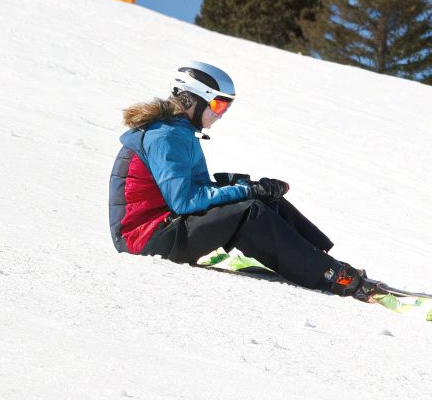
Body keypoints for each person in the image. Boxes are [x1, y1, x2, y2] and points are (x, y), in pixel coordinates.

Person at [108, 61, 388, 300]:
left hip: (164, 226)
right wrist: (244, 191)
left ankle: (326, 263)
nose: (220, 113)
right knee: (248, 212)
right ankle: (329, 276)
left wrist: (252, 188)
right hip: (143, 239)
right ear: (190, 100)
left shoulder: (180, 134)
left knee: (261, 200)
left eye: (226, 107)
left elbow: (198, 191)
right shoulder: (165, 136)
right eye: (218, 104)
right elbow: (184, 201)